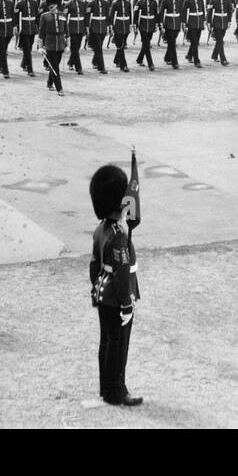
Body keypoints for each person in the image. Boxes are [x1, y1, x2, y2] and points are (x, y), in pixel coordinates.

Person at [89, 163, 141, 407]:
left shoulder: (101, 230)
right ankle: (117, 391)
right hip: (116, 297)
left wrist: (95, 288)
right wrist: (127, 303)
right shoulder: (119, 236)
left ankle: (106, 388)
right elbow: (122, 275)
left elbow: (93, 264)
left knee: (106, 343)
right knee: (119, 345)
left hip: (102, 292)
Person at [38, 0, 66, 94]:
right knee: (55, 67)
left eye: (54, 5)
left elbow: (65, 32)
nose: (52, 7)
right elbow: (41, 33)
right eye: (50, 5)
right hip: (49, 44)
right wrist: (40, 46)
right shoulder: (44, 16)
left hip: (60, 44)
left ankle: (49, 82)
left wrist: (66, 44)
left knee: (55, 65)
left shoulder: (62, 15)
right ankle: (60, 89)